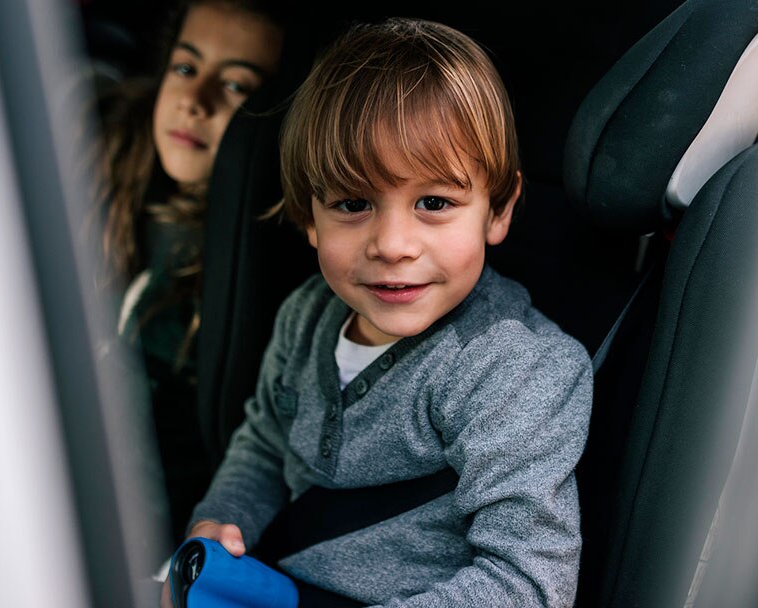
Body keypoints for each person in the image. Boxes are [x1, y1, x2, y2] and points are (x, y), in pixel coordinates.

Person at [167, 17, 593, 607]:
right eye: (352, 203)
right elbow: (265, 445)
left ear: (498, 211)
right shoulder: (305, 319)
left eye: (434, 202)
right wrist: (217, 523)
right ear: (308, 217)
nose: (392, 244)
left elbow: (527, 583)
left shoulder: (516, 371)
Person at [91, 0, 287, 544]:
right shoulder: (95, 171)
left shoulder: (248, 270)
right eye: (185, 68)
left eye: (235, 86)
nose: (194, 101)